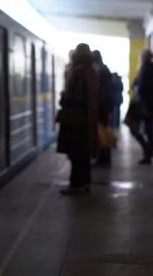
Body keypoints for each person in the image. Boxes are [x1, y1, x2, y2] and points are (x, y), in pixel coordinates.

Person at [57, 43, 98, 195]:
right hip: (87, 118)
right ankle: (85, 183)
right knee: (83, 154)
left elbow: (76, 97)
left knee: (75, 154)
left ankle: (75, 185)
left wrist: (64, 98)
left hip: (76, 119)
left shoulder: (78, 71)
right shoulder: (91, 71)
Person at [129, 49, 153, 164]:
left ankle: (147, 149)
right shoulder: (152, 68)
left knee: (133, 127)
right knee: (150, 129)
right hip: (151, 104)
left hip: (143, 104)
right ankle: (149, 152)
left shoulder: (144, 69)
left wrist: (135, 86)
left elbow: (141, 88)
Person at [92, 50, 114, 165]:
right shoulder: (105, 69)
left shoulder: (98, 71)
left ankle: (103, 158)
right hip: (106, 105)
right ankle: (105, 157)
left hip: (101, 106)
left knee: (101, 132)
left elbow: (99, 91)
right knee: (104, 131)